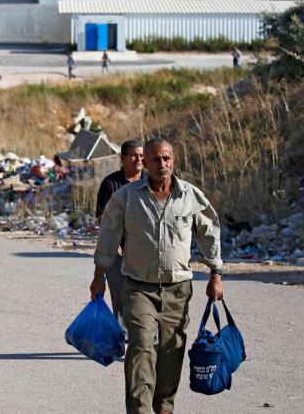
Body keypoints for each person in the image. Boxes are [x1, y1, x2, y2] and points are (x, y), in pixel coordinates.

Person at [91, 138, 223, 414]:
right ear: (146, 165)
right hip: (138, 287)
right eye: (155, 160)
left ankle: (164, 405)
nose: (162, 164)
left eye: (166, 158)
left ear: (173, 160)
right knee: (140, 346)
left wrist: (216, 274)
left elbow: (210, 233)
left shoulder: (190, 196)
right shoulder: (126, 196)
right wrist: (99, 276)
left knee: (171, 350)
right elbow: (107, 234)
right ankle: (139, 409)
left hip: (178, 288)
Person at [93, 139, 145, 322]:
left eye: (141, 155)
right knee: (121, 299)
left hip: (145, 252)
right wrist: (112, 242)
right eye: (133, 155)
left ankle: (144, 341)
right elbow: (102, 217)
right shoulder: (110, 183)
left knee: (145, 300)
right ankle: (122, 339)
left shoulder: (150, 181)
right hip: (118, 252)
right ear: (122, 158)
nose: (138, 159)